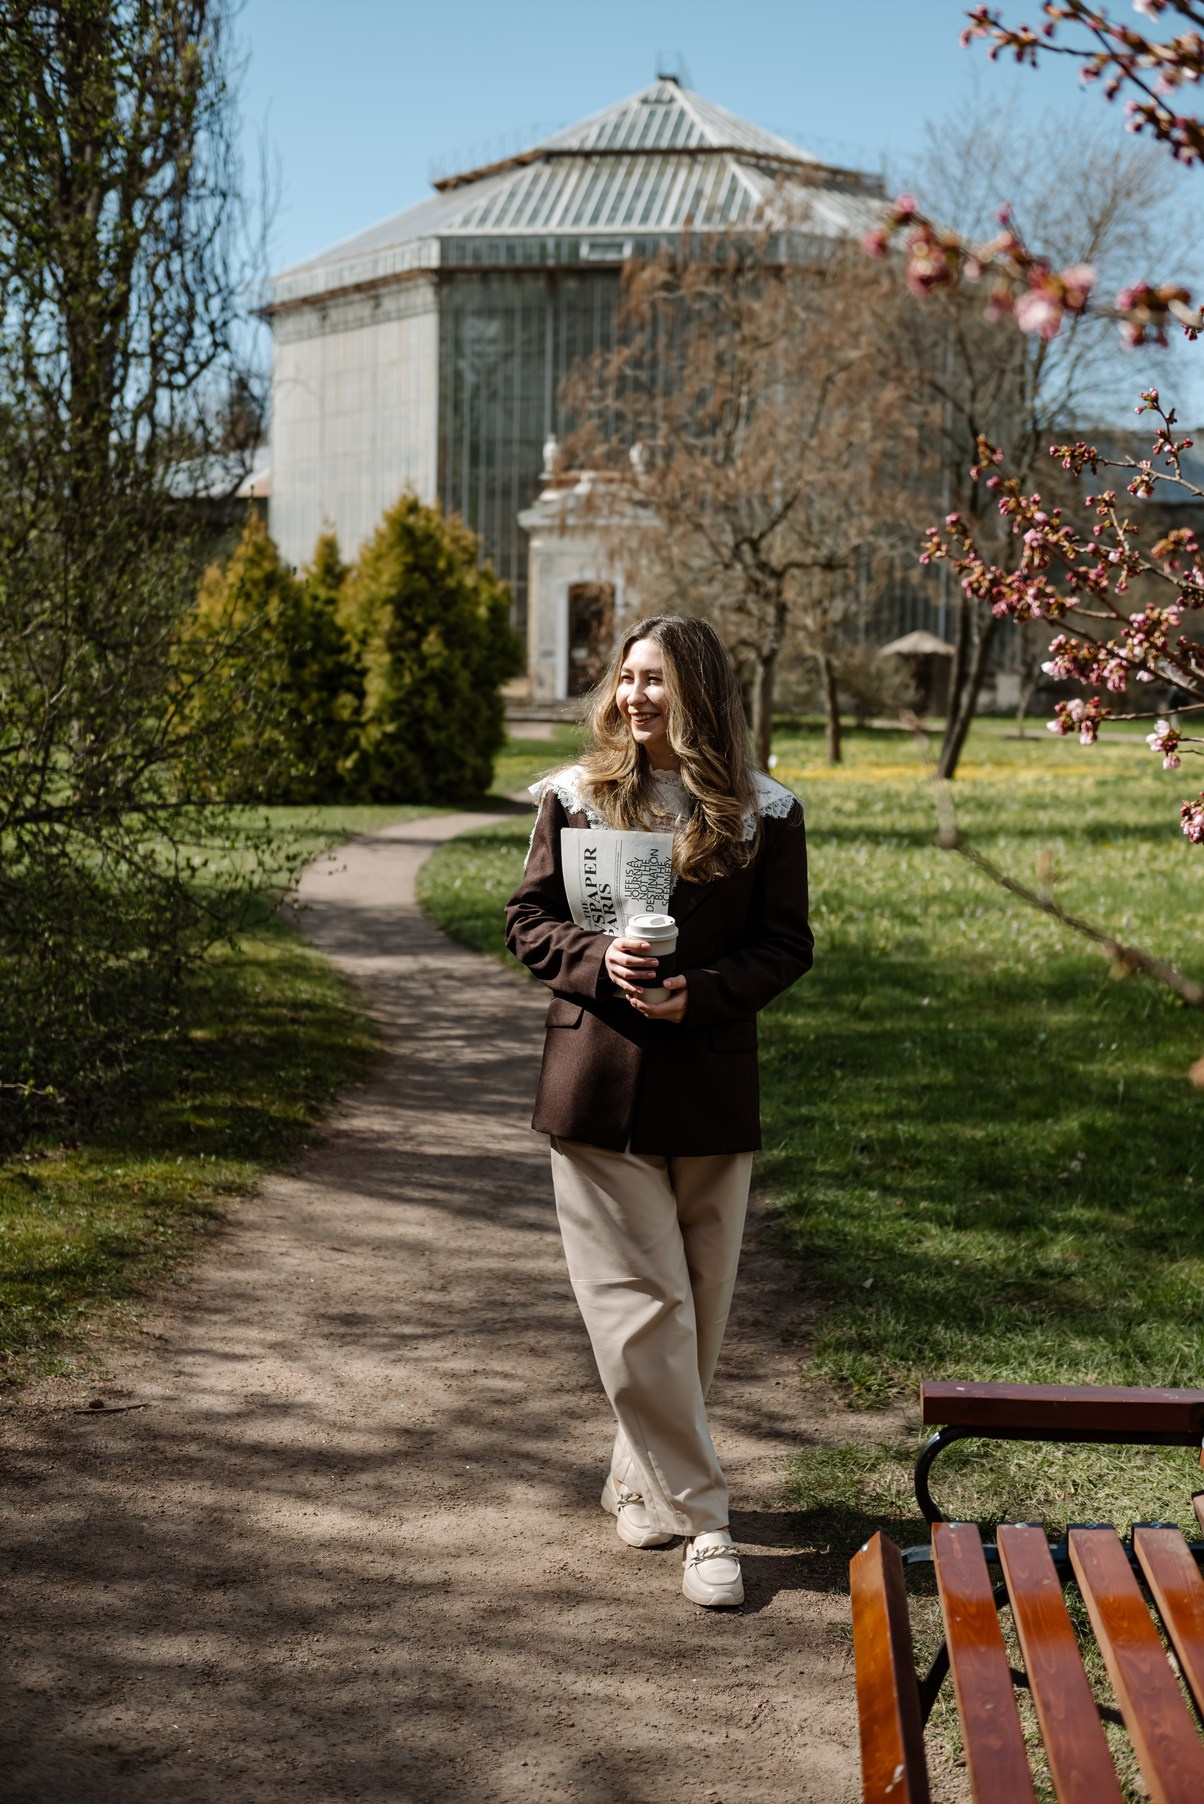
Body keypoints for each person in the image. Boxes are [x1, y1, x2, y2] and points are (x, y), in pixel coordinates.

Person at [504, 615, 813, 1607]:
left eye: (661, 682)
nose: (637, 696)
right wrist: (598, 961)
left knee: (698, 1319)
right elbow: (528, 920)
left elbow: (784, 944)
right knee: (641, 1311)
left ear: (702, 695)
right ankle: (709, 1523)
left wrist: (705, 991)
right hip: (595, 1085)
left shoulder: (765, 813)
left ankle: (641, 1481)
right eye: (629, 678)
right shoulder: (573, 797)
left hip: (711, 1090)